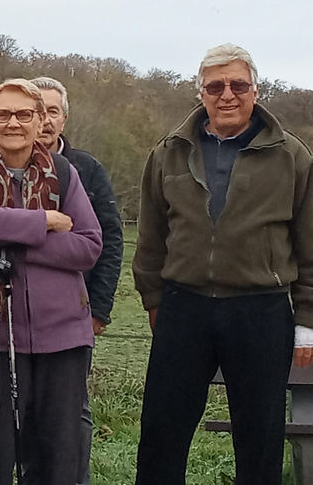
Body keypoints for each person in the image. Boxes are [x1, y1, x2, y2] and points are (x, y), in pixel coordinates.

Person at [133, 44, 313, 485]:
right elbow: (152, 236)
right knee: (161, 430)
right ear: (201, 93)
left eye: (237, 84)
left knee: (260, 435)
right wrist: (156, 299)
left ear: (255, 90)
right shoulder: (169, 152)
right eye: (215, 86)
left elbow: (310, 244)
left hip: (261, 309)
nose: (226, 95)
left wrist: (306, 322)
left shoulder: (293, 156)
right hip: (184, 306)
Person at [0, 78, 102, 485]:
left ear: (40, 120)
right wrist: (44, 222)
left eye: (24, 114)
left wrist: (12, 246)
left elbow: (89, 246)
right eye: (3, 114)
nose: (13, 123)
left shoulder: (65, 173)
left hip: (63, 336)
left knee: (58, 455)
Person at [30, 76, 124, 485]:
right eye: (38, 111)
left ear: (64, 118)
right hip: (15, 316)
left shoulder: (84, 168)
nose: (45, 120)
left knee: (71, 413)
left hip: (74, 313)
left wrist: (99, 309)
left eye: (53, 111)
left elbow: (110, 238)